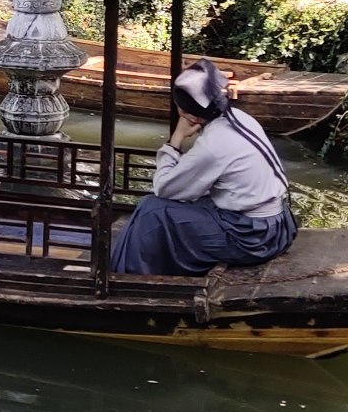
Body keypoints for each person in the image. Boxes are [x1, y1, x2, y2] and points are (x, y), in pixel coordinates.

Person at [110, 59, 296, 276]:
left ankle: (124, 276)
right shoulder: (242, 118)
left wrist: (176, 139)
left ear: (190, 115)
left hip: (253, 238)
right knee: (173, 205)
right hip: (279, 226)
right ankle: (127, 269)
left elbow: (164, 188)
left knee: (152, 210)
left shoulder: (213, 144)